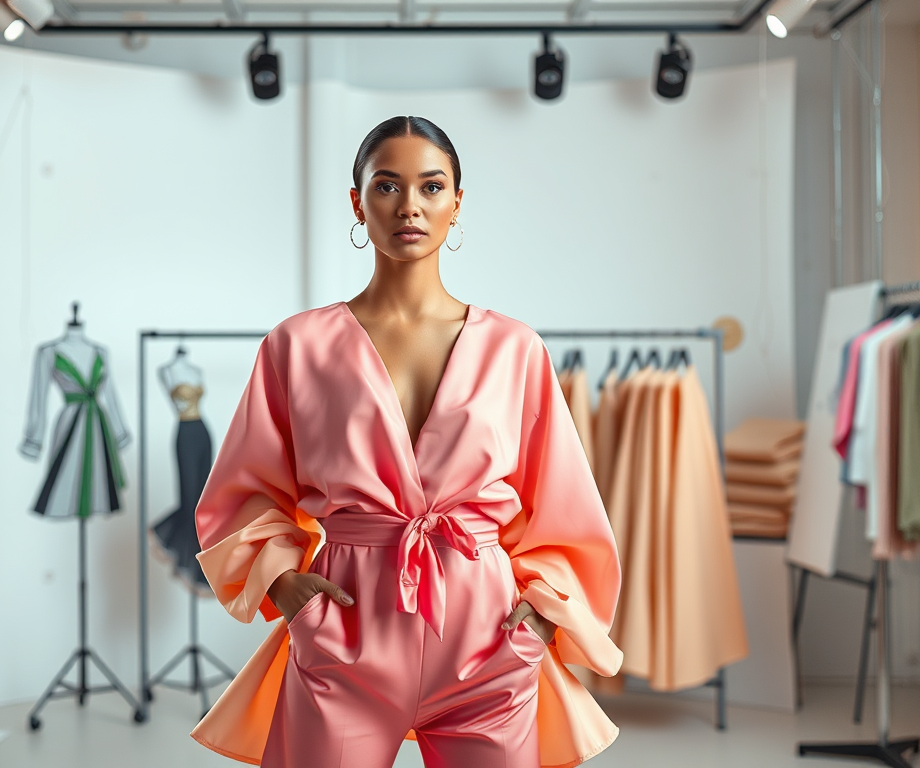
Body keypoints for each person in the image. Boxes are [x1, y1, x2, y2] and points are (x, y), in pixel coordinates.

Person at [192, 116, 623, 768]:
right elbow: (243, 489)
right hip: (346, 628)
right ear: (357, 202)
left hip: (487, 636)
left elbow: (564, 510)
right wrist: (284, 585)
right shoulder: (297, 346)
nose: (410, 206)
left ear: (457, 202)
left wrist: (537, 619)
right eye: (387, 186)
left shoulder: (516, 349)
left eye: (431, 186)